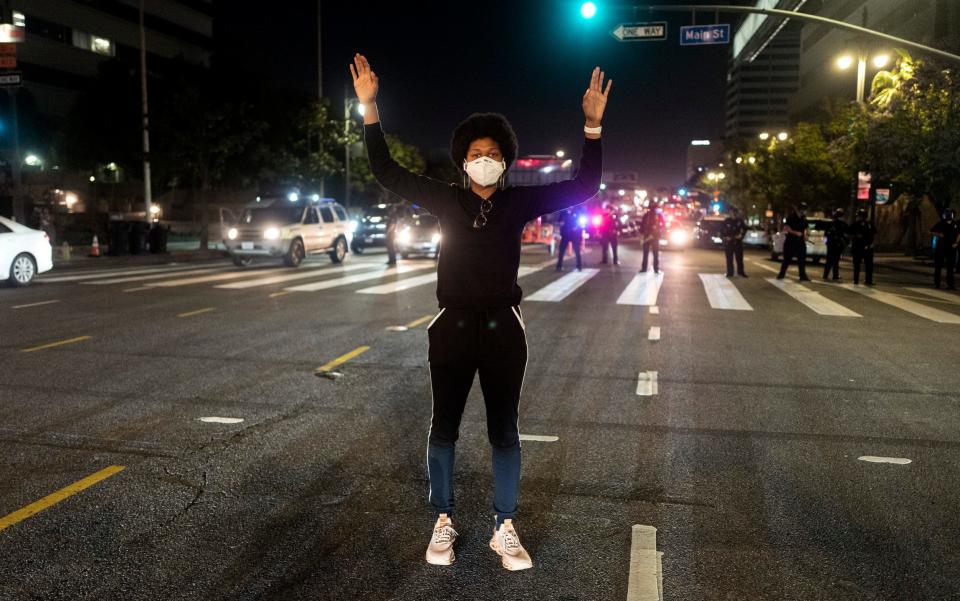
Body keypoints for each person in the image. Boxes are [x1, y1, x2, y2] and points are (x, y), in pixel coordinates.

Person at [351, 53, 610, 570]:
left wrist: (593, 125)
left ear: (505, 159)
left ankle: (503, 526)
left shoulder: (517, 205)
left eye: (493, 152)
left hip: (503, 331)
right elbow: (385, 169)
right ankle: (442, 520)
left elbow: (584, 186)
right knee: (443, 426)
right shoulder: (445, 199)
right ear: (462, 160)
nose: (484, 158)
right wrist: (369, 107)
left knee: (504, 431)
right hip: (451, 327)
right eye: (476, 152)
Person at [777, 202, 810, 281]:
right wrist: (796, 233)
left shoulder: (804, 218)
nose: (806, 212)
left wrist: (806, 235)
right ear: (800, 210)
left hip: (800, 242)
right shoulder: (791, 217)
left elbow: (806, 228)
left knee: (802, 259)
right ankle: (781, 275)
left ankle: (803, 276)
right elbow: (786, 228)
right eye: (804, 210)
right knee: (787, 260)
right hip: (791, 242)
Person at [930, 208, 959, 289]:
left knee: (950, 267)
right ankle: (937, 284)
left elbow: (959, 234)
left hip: (951, 248)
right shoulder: (940, 223)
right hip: (941, 248)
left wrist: (956, 243)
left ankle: (950, 285)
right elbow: (932, 231)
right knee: (938, 266)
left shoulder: (955, 224)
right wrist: (938, 234)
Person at [848, 208, 875, 286]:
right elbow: (849, 232)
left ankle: (864, 280)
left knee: (865, 265)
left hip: (864, 247)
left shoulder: (867, 224)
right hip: (860, 247)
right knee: (862, 265)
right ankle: (861, 280)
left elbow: (873, 234)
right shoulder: (858, 224)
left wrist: (872, 243)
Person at [822, 208, 848, 281]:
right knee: (835, 261)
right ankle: (835, 276)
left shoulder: (831, 223)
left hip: (831, 244)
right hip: (837, 244)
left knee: (829, 261)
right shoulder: (842, 224)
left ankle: (826, 275)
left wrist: (826, 243)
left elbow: (825, 235)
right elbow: (846, 234)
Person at [640, 201, 665, 273]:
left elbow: (641, 226)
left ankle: (646, 268)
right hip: (651, 236)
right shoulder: (657, 215)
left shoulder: (649, 215)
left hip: (650, 236)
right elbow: (663, 224)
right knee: (653, 253)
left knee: (648, 253)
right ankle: (655, 269)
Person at [722, 206, 748, 277]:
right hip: (729, 242)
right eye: (731, 212)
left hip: (737, 242)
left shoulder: (740, 221)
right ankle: (730, 272)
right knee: (729, 259)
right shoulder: (727, 220)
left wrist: (741, 235)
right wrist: (725, 237)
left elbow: (745, 229)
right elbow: (722, 230)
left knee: (739, 258)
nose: (733, 214)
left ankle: (741, 272)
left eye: (734, 212)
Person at [384, 201, 406, 265]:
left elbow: (392, 225)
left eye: (389, 209)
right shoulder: (393, 215)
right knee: (391, 247)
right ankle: (392, 259)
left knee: (390, 247)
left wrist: (387, 233)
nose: (389, 211)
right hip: (392, 234)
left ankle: (392, 260)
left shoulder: (393, 216)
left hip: (391, 234)